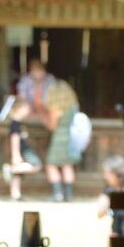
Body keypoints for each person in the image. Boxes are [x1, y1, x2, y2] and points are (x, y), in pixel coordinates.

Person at [41, 70, 84, 202]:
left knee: (51, 165)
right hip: (71, 137)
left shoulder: (56, 109)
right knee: (67, 165)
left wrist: (44, 118)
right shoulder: (73, 106)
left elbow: (52, 126)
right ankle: (69, 195)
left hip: (59, 137)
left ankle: (58, 194)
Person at [3, 97, 41, 202]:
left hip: (20, 150)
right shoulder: (15, 124)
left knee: (18, 174)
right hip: (22, 150)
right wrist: (16, 154)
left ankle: (15, 194)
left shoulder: (20, 123)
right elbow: (14, 139)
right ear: (20, 108)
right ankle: (11, 169)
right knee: (36, 165)